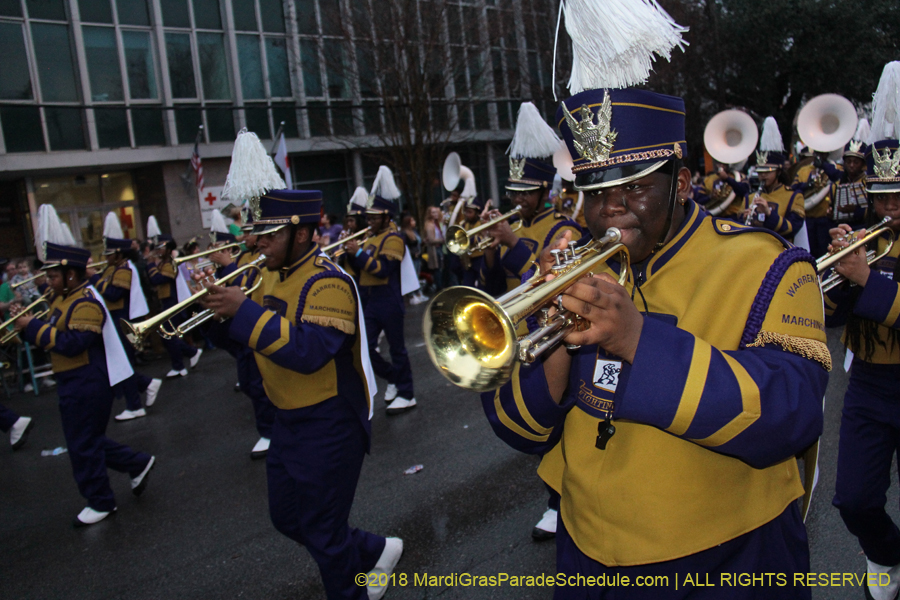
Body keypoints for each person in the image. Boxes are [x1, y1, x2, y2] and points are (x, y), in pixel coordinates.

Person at [479, 7, 829, 596]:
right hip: (587, 553)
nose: (610, 209)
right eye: (594, 193)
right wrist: (557, 336)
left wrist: (638, 340)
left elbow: (792, 415)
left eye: (635, 186)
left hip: (729, 558)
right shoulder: (571, 263)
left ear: (683, 182)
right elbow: (517, 426)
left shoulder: (766, 263)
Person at [201, 188, 403, 600]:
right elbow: (246, 343)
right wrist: (212, 314)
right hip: (287, 418)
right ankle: (376, 549)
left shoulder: (329, 282)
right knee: (288, 517)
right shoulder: (268, 275)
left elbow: (309, 352)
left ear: (304, 232)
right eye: (257, 233)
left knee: (324, 534)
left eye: (269, 234)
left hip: (330, 421)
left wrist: (243, 311)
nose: (258, 242)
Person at [15, 213, 155, 527]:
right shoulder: (63, 299)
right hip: (72, 380)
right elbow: (49, 337)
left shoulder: (86, 302)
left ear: (72, 275)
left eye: (53, 276)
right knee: (85, 440)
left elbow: (72, 343)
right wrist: (27, 326)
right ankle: (137, 463)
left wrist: (32, 327)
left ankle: (101, 500)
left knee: (83, 444)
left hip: (87, 379)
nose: (48, 282)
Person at [826, 61, 900, 600]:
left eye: (899, 198)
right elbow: (830, 314)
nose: (890, 209)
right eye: (881, 198)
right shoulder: (871, 238)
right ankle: (886, 552)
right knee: (853, 498)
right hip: (869, 385)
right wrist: (836, 271)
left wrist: (867, 278)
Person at [345, 166, 416, 414]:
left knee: (397, 348)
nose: (370, 221)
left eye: (375, 218)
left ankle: (407, 394)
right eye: (369, 217)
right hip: (369, 299)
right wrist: (350, 254)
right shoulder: (370, 238)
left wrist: (359, 253)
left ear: (387, 217)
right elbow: (359, 269)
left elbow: (382, 269)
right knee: (365, 346)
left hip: (388, 299)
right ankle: (394, 378)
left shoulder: (394, 238)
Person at [725, 117, 805, 242]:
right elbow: (738, 229)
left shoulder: (794, 196)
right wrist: (743, 220)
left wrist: (769, 214)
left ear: (778, 171)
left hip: (782, 253)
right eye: (760, 172)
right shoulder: (749, 198)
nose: (763, 176)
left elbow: (792, 228)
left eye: (768, 172)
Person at [146, 235, 202, 377]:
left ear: (169, 248)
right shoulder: (163, 263)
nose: (158, 251)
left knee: (169, 335)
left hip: (172, 300)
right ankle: (191, 353)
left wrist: (150, 264)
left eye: (161, 248)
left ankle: (180, 365)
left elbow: (157, 279)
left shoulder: (169, 263)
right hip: (166, 300)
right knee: (167, 334)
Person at [399, 214, 428, 305]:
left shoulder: (414, 231)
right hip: (412, 257)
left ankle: (418, 293)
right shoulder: (404, 233)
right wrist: (413, 254)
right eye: (412, 221)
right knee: (412, 275)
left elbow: (417, 243)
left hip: (418, 256)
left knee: (417, 275)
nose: (414, 222)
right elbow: (405, 246)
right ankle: (412, 295)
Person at [423, 206, 445, 294]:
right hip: (435, 248)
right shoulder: (429, 224)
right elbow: (432, 239)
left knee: (440, 267)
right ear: (429, 214)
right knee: (437, 268)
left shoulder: (437, 222)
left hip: (440, 247)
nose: (436, 214)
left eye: (436, 212)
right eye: (433, 212)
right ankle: (439, 287)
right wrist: (443, 240)